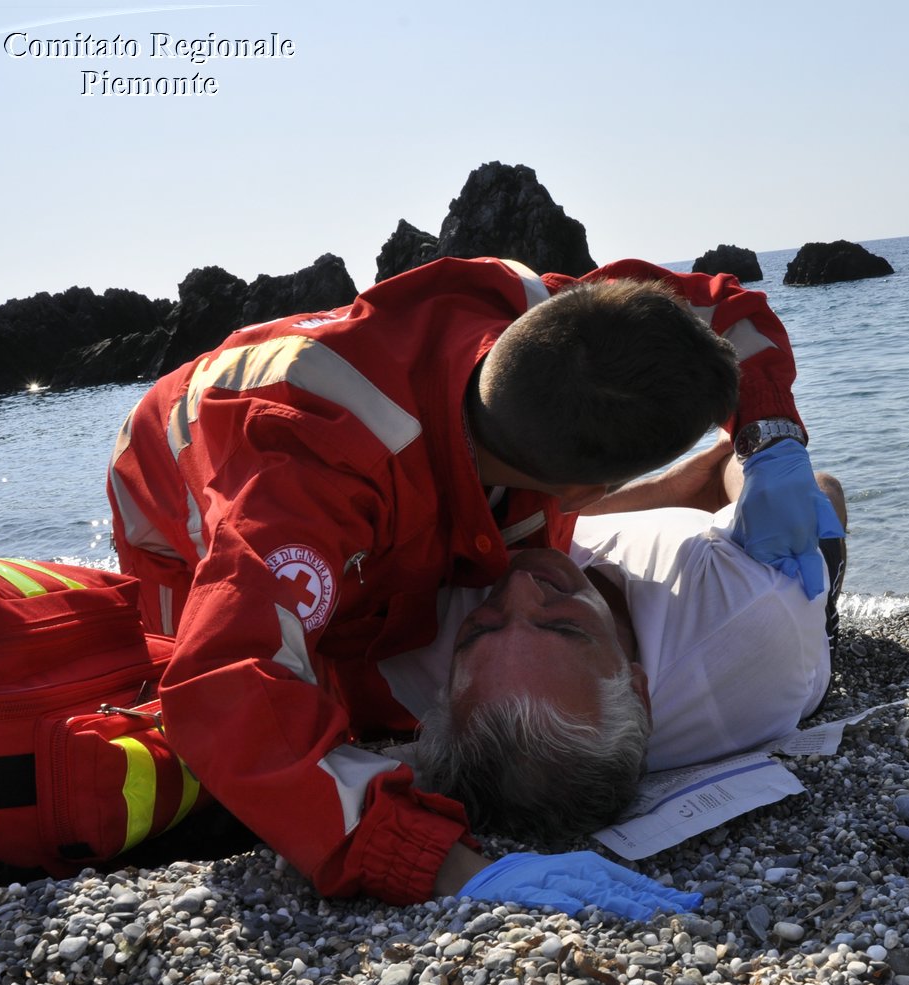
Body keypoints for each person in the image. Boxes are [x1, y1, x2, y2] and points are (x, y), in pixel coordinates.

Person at [106, 256, 841, 914]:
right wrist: (442, 866)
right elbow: (222, 685)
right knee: (314, 694)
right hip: (186, 503)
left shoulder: (538, 316)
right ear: (586, 489)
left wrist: (769, 435)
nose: (517, 593)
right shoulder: (302, 487)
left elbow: (722, 310)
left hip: (391, 433)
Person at [378, 433, 848, 841]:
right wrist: (747, 455)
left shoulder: (419, 660)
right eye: (561, 625)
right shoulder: (744, 610)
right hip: (767, 621)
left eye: (481, 626)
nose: (518, 586)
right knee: (820, 495)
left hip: (599, 537)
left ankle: (668, 493)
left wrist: (665, 487)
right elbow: (749, 469)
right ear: (636, 688)